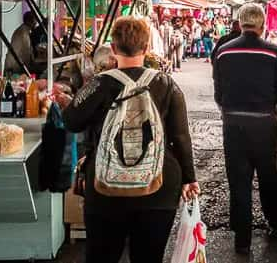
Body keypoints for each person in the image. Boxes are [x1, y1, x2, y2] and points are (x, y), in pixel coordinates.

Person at [62, 17, 199, 263]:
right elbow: (180, 136)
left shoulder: (99, 83)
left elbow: (71, 120)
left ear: (113, 50)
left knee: (102, 257)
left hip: (106, 189)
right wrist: (189, 178)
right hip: (159, 187)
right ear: (147, 49)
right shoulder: (167, 84)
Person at [213, 3, 277, 255]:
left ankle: (242, 239)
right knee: (268, 176)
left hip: (233, 126)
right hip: (264, 125)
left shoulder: (223, 52)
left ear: (240, 22)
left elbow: (219, 94)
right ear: (262, 24)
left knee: (238, 180)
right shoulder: (273, 52)